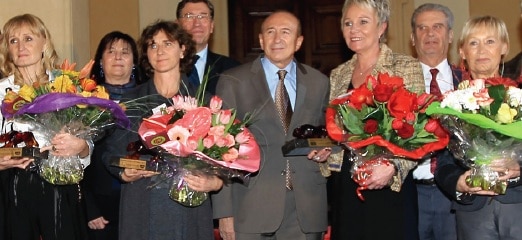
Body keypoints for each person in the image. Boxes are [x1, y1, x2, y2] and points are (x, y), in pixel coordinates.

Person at [212, 10, 331, 240]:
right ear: (260, 40)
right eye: (270, 32)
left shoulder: (319, 82)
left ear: (298, 41)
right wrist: (224, 213)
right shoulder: (233, 81)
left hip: (305, 210)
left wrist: (327, 150)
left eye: (286, 32)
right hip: (250, 209)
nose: (277, 39)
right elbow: (219, 149)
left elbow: (328, 135)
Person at [102, 20, 223, 240]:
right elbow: (112, 153)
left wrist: (215, 182)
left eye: (167, 43)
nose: (159, 51)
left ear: (183, 49)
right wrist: (124, 172)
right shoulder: (130, 101)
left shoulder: (203, 102)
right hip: (142, 202)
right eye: (152, 45)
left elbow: (223, 157)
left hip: (189, 206)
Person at [324, 0, 425, 239]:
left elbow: (419, 131)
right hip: (347, 185)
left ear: (382, 27)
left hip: (390, 186)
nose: (353, 29)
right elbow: (336, 130)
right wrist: (325, 150)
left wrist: (392, 167)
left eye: (363, 22)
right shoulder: (338, 74)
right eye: (347, 23)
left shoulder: (405, 67)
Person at [0, 13, 92, 240]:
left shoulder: (67, 85)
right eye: (13, 41)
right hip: (12, 186)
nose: (21, 46)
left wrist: (79, 146)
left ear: (45, 43)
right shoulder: (1, 90)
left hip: (59, 183)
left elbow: (87, 144)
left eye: (28, 38)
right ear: (7, 49)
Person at [435, 15, 522, 240]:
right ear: (462, 51)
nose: (481, 50)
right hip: (473, 213)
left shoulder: (519, 97)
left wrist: (518, 167)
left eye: (490, 41)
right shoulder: (450, 105)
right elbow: (443, 164)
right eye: (473, 43)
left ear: (505, 47)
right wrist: (459, 182)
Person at [81, 31, 140, 240]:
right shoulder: (84, 101)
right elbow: (75, 158)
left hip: (141, 199)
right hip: (100, 207)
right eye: (111, 51)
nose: (118, 57)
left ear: (134, 61)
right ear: (100, 61)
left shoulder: (149, 97)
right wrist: (88, 207)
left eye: (125, 52)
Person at [409, 3, 461, 239]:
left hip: (455, 197)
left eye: (437, 27)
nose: (430, 34)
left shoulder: (468, 81)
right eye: (422, 28)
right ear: (412, 37)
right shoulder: (396, 87)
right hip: (410, 195)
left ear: (450, 35)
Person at [176, 0, 240, 94]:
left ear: (212, 26)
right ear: (177, 25)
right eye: (189, 16)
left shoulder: (232, 68)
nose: (197, 23)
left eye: (203, 16)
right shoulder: (161, 66)